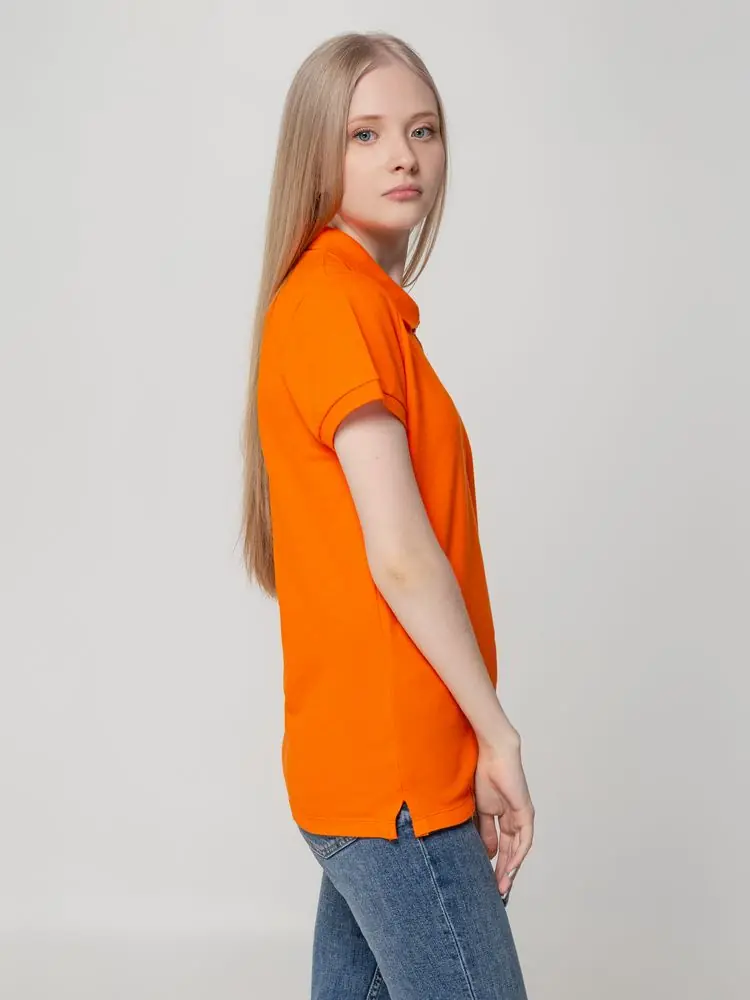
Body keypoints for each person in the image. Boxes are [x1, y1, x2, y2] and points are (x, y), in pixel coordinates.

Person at [240, 30, 535, 1000]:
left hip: (370, 775)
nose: (402, 155)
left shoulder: (351, 302)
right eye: (364, 134)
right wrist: (498, 734)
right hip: (395, 776)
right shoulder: (334, 303)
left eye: (423, 130)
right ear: (316, 152)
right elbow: (401, 552)